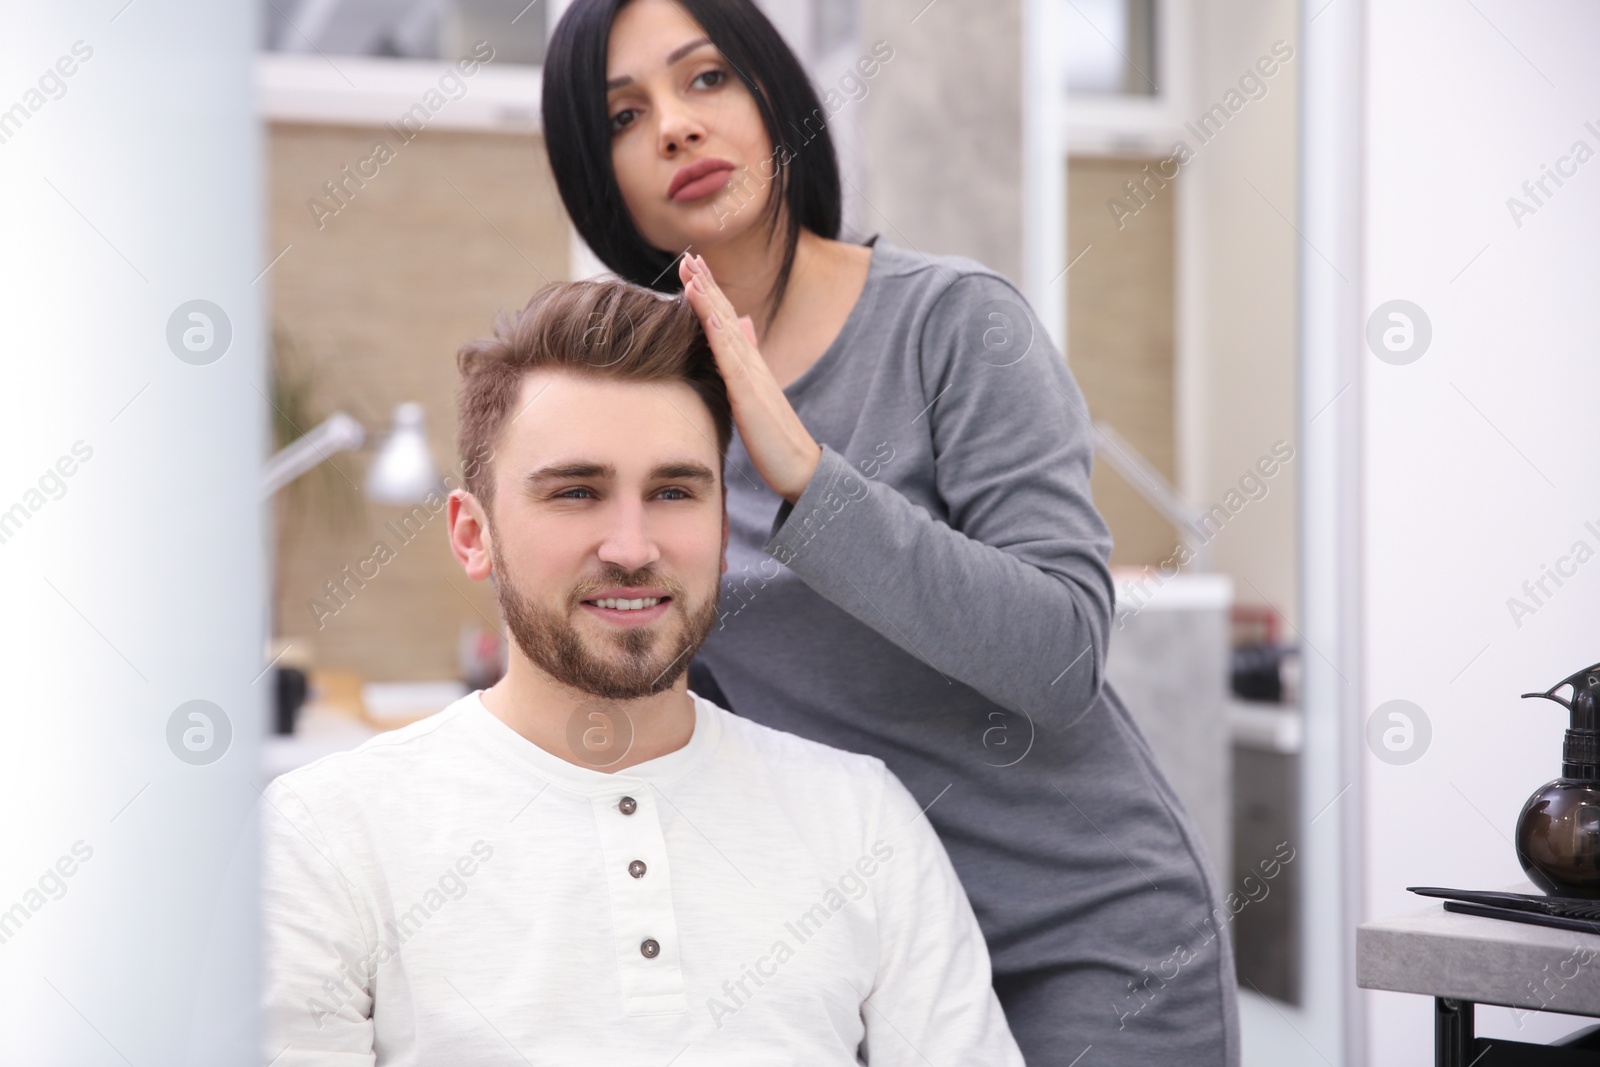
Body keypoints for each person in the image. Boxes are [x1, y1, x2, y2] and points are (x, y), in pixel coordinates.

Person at [539, 2, 1242, 1064]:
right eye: (625, 115)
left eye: (706, 79)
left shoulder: (952, 324)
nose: (675, 126)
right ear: (604, 183)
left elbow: (1061, 654)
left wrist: (809, 477)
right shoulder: (652, 415)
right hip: (863, 966)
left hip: (1082, 941)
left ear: (773, 96)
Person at [259, 279, 1025, 1066]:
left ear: (724, 529)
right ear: (471, 535)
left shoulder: (861, 819)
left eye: (672, 491)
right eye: (577, 491)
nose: (631, 546)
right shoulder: (326, 835)